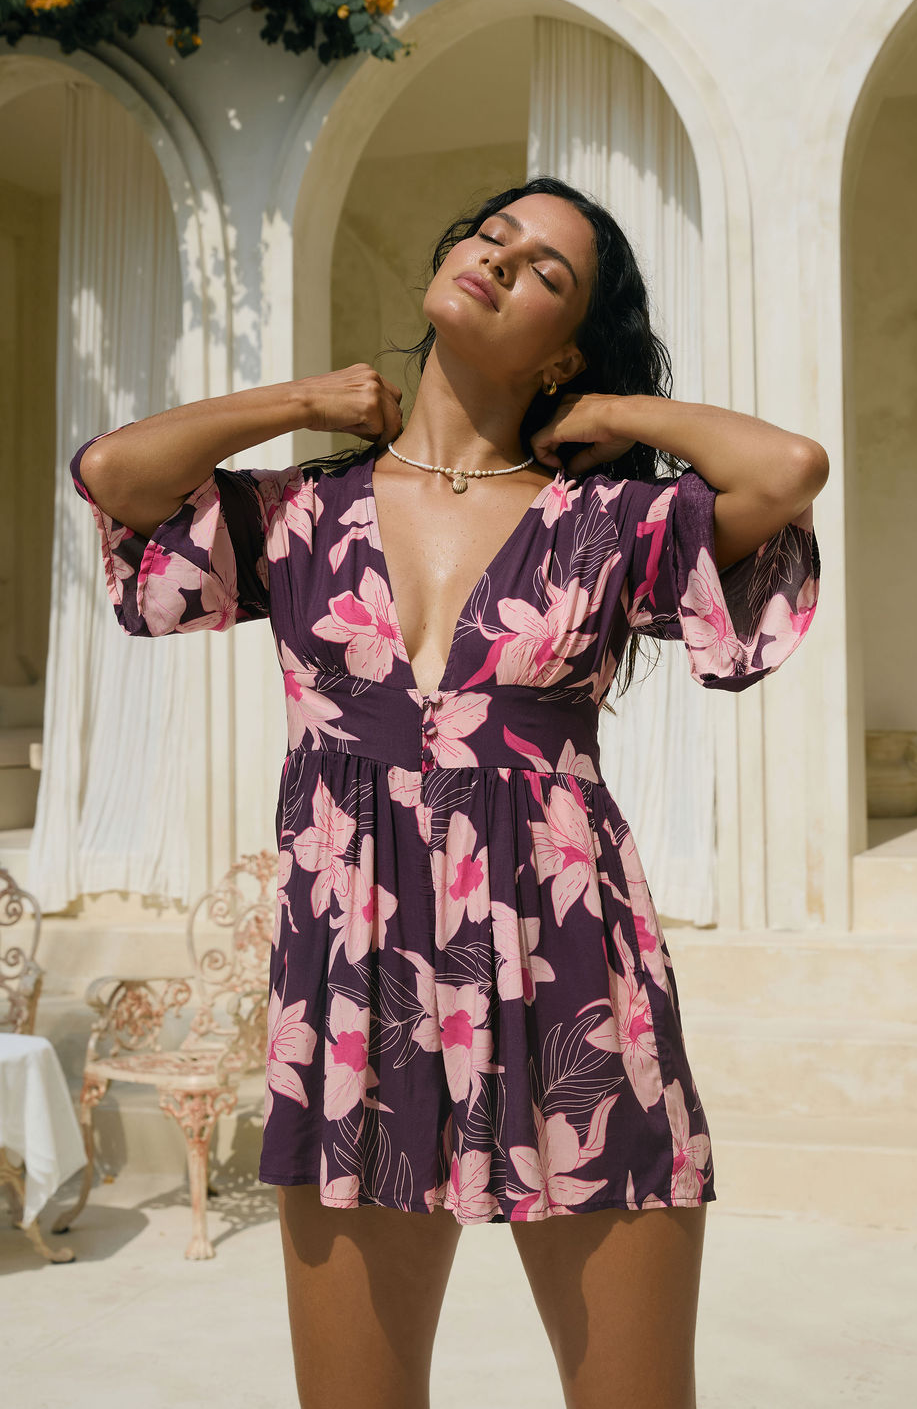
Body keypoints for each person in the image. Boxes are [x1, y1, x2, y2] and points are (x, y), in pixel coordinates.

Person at [70, 175, 825, 1409]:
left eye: (545, 271)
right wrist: (302, 400)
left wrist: (613, 408)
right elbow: (116, 474)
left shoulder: (601, 522)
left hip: (576, 991)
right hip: (350, 1004)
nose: (500, 257)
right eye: (490, 233)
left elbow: (788, 470)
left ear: (566, 341)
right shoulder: (302, 511)